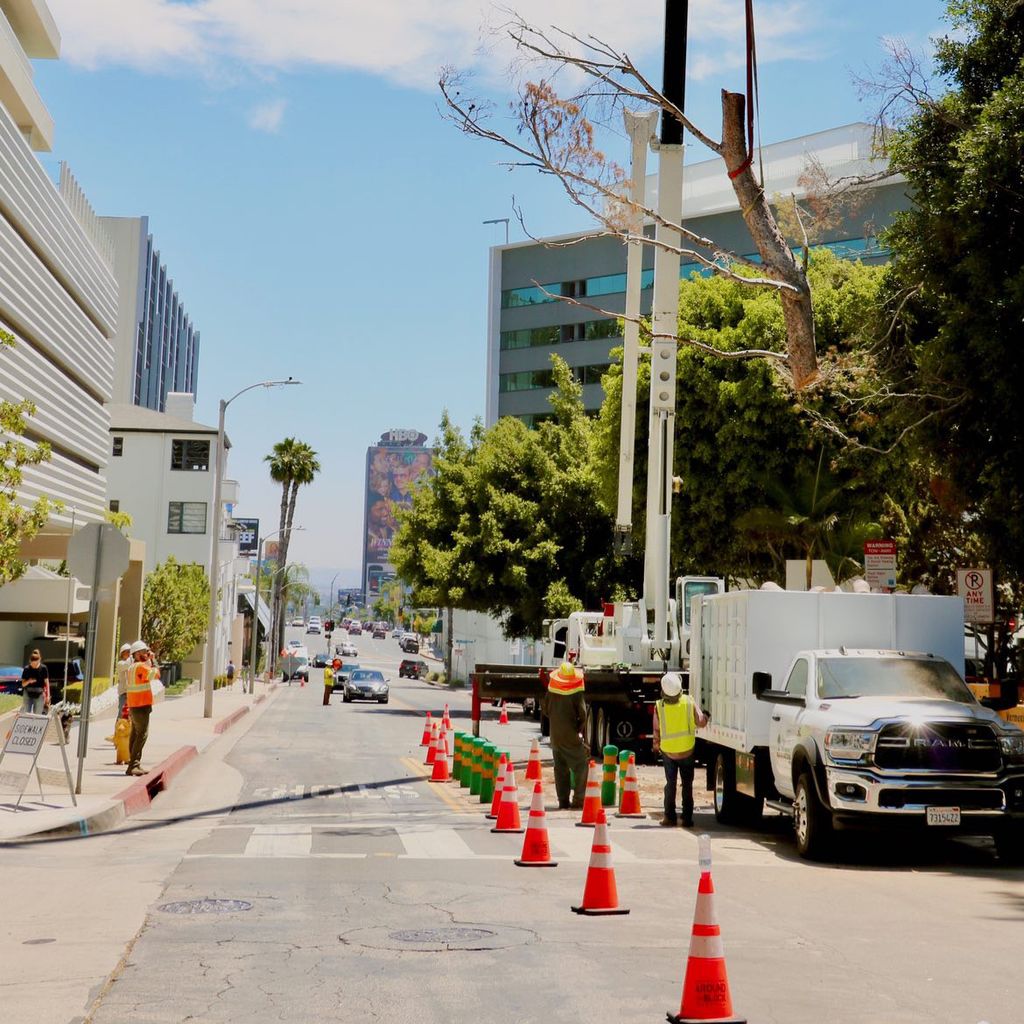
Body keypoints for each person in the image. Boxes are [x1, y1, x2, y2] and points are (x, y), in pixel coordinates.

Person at [653, 672, 707, 828]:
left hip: (668, 752)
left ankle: (669, 817)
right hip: (687, 750)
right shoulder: (689, 702)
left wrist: (656, 747)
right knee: (687, 784)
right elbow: (701, 721)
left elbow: (656, 731)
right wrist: (707, 716)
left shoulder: (659, 706)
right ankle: (687, 818)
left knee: (671, 783)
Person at [541, 662, 590, 810]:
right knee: (581, 764)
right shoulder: (576, 692)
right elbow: (583, 714)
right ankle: (579, 799)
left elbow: (546, 710)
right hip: (570, 735)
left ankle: (563, 801)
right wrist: (578, 730)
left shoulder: (551, 691)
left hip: (555, 736)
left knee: (560, 769)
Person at [125, 640, 158, 777]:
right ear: (137, 654)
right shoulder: (141, 667)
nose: (147, 654)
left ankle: (132, 764)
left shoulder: (132, 667)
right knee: (142, 734)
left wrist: (148, 660)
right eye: (144, 652)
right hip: (141, 705)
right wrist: (154, 661)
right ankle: (134, 765)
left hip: (134, 705)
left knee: (135, 734)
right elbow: (156, 675)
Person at [20, 649, 48, 715]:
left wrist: (47, 695)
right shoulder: (26, 669)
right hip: (28, 692)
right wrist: (29, 681)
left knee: (38, 714)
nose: (34, 666)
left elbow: (46, 683)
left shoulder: (43, 668)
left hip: (39, 692)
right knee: (26, 713)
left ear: (39, 660)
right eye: (33, 664)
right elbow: (23, 684)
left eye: (36, 664)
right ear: (30, 661)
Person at [115, 643, 133, 718]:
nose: (129, 654)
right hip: (124, 693)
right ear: (122, 654)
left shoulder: (131, 663)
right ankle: (118, 729)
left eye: (130, 651)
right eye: (127, 652)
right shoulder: (120, 663)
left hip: (132, 692)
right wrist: (132, 656)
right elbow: (126, 665)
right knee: (122, 714)